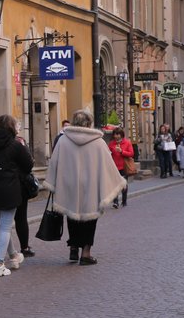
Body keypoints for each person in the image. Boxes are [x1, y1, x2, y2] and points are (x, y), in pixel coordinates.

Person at [44, 110, 126, 266]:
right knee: (90, 219)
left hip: (69, 184)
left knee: (72, 216)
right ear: (89, 123)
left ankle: (73, 247)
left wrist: (53, 183)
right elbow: (108, 166)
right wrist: (117, 182)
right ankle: (86, 253)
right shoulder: (98, 142)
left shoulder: (63, 141)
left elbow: (54, 163)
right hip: (91, 186)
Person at [0, 114, 32, 277]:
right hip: (10, 189)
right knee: (5, 228)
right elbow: (28, 165)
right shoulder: (15, 146)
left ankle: (14, 255)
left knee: (3, 225)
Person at [13, 133, 36, 258]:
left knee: (2, 220)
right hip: (18, 185)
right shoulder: (18, 143)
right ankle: (24, 247)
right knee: (21, 218)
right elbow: (28, 164)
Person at [108, 127, 135, 208]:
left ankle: (124, 200)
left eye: (118, 134)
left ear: (121, 135)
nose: (116, 136)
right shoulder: (112, 143)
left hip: (124, 166)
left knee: (123, 184)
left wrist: (122, 151)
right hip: (114, 167)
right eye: (115, 134)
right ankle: (115, 202)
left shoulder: (127, 142)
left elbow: (131, 154)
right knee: (114, 185)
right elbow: (107, 152)